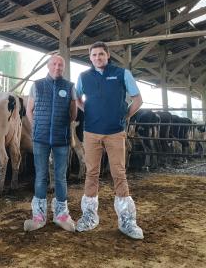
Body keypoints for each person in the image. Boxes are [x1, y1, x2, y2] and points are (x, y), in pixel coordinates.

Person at [75, 41, 144, 239]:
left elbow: (138, 100)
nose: (98, 57)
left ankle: (127, 221)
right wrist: (87, 110)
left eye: (101, 54)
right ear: (90, 58)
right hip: (91, 132)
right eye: (94, 55)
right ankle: (89, 217)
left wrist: (124, 117)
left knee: (118, 173)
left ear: (108, 55)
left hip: (115, 132)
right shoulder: (83, 77)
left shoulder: (122, 73)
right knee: (92, 173)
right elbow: (77, 98)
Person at [24, 54, 77, 232]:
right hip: (41, 139)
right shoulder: (37, 85)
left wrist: (64, 125)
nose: (57, 67)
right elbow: (29, 110)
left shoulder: (69, 87)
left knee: (60, 177)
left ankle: (61, 215)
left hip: (61, 139)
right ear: (48, 66)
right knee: (41, 176)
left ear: (63, 68)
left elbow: (73, 114)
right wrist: (37, 126)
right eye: (54, 64)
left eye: (60, 65)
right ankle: (38, 216)